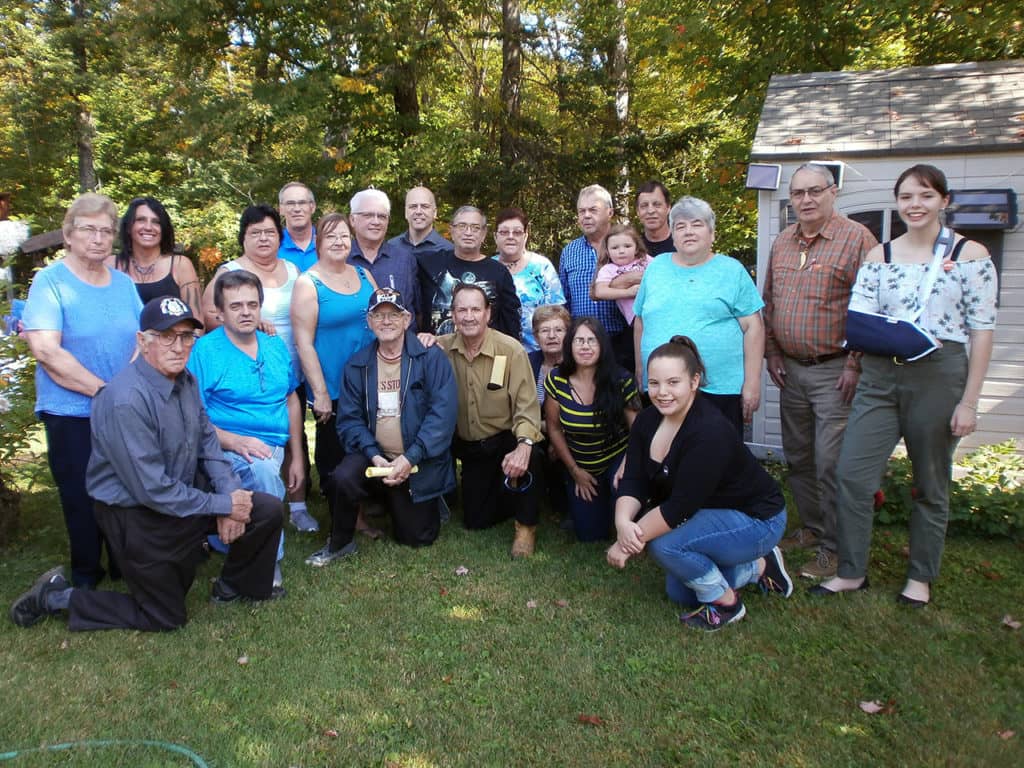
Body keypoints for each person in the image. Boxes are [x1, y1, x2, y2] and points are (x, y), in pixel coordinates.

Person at [10, 297, 284, 631]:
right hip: (137, 516)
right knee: (164, 616)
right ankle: (56, 597)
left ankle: (234, 587)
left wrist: (232, 498)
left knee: (266, 509)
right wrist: (225, 503)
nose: (178, 346)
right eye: (167, 336)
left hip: (181, 499)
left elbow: (208, 444)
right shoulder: (124, 399)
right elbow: (152, 489)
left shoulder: (187, 382)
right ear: (143, 341)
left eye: (186, 336)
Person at [811, 164, 997, 606]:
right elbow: (861, 321)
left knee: (931, 482)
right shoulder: (881, 256)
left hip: (939, 374)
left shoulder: (971, 256)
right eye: (907, 197)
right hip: (879, 375)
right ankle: (852, 570)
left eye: (926, 196)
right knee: (853, 475)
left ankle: (920, 577)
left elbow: (982, 331)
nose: (915, 205)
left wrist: (969, 402)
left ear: (944, 201)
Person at [607, 336, 792, 631]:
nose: (662, 393)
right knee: (679, 592)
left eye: (673, 383)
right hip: (710, 514)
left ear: (694, 382)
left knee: (666, 546)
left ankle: (728, 604)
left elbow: (678, 509)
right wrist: (622, 522)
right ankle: (758, 566)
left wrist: (626, 544)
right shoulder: (646, 420)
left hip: (758, 519)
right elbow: (634, 479)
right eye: (654, 383)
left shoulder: (709, 431)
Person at [21, 193, 143, 588]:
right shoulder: (50, 281)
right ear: (69, 235)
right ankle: (86, 574)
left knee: (126, 486)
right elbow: (45, 348)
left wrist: (122, 389)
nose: (98, 238)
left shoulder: (123, 284)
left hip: (121, 406)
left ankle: (125, 564)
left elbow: (144, 338)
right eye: (89, 229)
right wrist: (102, 390)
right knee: (81, 494)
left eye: (106, 231)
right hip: (70, 410)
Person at [763, 162, 877, 580]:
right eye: (798, 193)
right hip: (790, 369)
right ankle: (811, 527)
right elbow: (770, 301)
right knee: (799, 456)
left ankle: (835, 547)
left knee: (831, 462)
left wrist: (854, 363)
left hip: (835, 371)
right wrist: (772, 352)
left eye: (815, 191)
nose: (806, 200)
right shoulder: (783, 242)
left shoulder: (856, 239)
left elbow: (873, 306)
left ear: (833, 192)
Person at [306, 288, 458, 564]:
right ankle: (340, 542)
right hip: (373, 455)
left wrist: (410, 457)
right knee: (342, 477)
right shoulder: (357, 365)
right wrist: (374, 454)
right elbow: (349, 420)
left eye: (393, 315)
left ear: (407, 319)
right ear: (370, 321)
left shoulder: (431, 358)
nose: (386, 321)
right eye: (379, 315)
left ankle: (426, 501)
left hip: (415, 458)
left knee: (416, 537)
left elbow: (442, 415)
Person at [188, 270, 305, 587]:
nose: (245, 312)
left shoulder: (275, 345)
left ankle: (233, 535)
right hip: (223, 444)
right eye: (236, 306)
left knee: (266, 463)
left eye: (252, 305)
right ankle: (270, 562)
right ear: (220, 313)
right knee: (265, 470)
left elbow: (291, 398)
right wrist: (234, 440)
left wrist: (297, 457)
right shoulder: (204, 352)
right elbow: (190, 415)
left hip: (273, 442)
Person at [202, 205, 314, 531]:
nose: (263, 238)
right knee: (263, 449)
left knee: (295, 435)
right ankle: (261, 514)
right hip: (242, 364)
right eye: (255, 232)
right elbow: (211, 313)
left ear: (280, 237)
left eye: (269, 232)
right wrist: (249, 325)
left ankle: (298, 504)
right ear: (243, 238)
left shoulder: (292, 269)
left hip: (286, 361)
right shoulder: (229, 272)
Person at [633, 195, 765, 435]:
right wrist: (641, 368)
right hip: (663, 391)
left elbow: (753, 327)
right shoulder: (656, 267)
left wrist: (752, 382)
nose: (688, 231)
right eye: (680, 226)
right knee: (664, 459)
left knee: (717, 462)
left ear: (712, 233)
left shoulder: (731, 270)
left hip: (719, 390)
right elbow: (640, 319)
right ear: (672, 235)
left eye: (697, 224)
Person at [438, 283, 544, 557]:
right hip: (469, 445)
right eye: (462, 309)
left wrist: (523, 445)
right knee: (476, 520)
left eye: (476, 309)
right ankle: (506, 493)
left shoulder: (510, 350)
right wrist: (422, 338)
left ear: (488, 313)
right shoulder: (441, 349)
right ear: (452, 314)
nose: (469, 316)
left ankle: (526, 525)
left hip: (504, 438)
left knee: (532, 453)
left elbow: (526, 407)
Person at [292, 213, 377, 526]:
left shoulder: (364, 275)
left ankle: (366, 505)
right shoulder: (308, 283)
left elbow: (382, 320)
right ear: (319, 243)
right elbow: (304, 343)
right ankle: (344, 517)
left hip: (371, 379)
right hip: (334, 383)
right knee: (335, 451)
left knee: (366, 445)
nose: (340, 241)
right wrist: (321, 393)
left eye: (344, 235)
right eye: (331, 237)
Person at [544, 318, 640, 542]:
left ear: (602, 346)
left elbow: (638, 430)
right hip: (580, 462)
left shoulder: (621, 379)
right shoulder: (557, 380)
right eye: (579, 341)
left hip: (617, 457)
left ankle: (629, 502)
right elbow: (554, 428)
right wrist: (575, 471)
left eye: (591, 341)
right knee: (590, 535)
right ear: (569, 346)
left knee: (622, 491)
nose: (585, 346)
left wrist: (627, 466)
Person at [419, 206, 521, 339]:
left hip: (485, 355)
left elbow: (511, 322)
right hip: (437, 353)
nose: (468, 232)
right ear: (452, 230)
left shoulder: (498, 272)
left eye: (475, 227)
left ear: (484, 233)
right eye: (462, 226)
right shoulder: (429, 264)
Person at [492, 207, 565, 352]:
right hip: (495, 352)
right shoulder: (488, 268)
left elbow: (558, 313)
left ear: (525, 236)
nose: (510, 236)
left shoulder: (541, 266)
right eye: (504, 232)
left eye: (517, 232)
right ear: (495, 236)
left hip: (539, 353)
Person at [116, 196, 203, 317]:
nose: (148, 227)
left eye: (156, 222)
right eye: (141, 220)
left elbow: (197, 320)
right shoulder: (111, 265)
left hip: (174, 336)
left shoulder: (181, 265)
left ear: (164, 229)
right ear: (129, 227)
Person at [348, 189, 420, 320]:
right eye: (368, 215)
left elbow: (415, 309)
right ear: (353, 219)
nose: (376, 222)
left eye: (382, 216)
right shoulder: (342, 259)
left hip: (398, 339)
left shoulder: (405, 259)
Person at [591, 224, 651, 330]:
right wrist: (628, 293)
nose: (621, 251)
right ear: (608, 252)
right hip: (637, 318)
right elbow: (600, 291)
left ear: (636, 248)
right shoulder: (608, 269)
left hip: (658, 308)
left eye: (627, 246)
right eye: (615, 248)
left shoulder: (645, 260)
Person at [386, 185, 454, 267]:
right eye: (413, 206)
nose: (418, 211)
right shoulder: (391, 247)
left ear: (435, 212)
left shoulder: (449, 251)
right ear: (406, 212)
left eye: (425, 206)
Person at [277, 181, 318, 272]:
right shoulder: (273, 246)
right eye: (290, 203)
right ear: (281, 209)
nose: (297, 209)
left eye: (302, 203)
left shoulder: (328, 243)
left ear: (313, 207)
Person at [635, 181, 674, 256]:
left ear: (668, 207)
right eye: (644, 206)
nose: (650, 211)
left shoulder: (682, 244)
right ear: (638, 211)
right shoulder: (632, 248)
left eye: (657, 205)